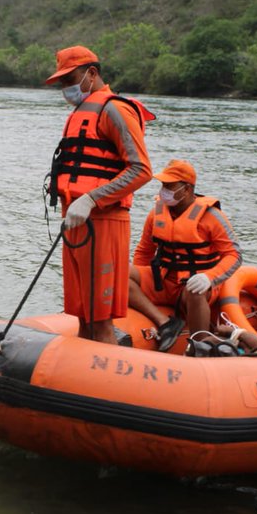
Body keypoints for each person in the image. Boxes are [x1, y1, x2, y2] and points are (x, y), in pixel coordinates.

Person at [46, 45, 152, 345]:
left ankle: (109, 368)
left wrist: (91, 199)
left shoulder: (115, 109)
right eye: (62, 82)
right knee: (82, 315)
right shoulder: (80, 112)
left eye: (70, 80)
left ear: (91, 73)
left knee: (101, 321)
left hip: (103, 222)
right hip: (74, 219)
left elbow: (141, 169)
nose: (66, 88)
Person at [128, 159, 244, 351]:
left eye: (169, 186)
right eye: (163, 185)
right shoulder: (156, 214)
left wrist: (209, 278)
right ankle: (165, 322)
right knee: (119, 274)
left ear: (187, 189)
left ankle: (201, 342)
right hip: (163, 281)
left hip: (197, 285)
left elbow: (234, 255)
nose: (164, 190)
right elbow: (144, 251)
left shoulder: (212, 217)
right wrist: (137, 285)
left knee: (194, 291)